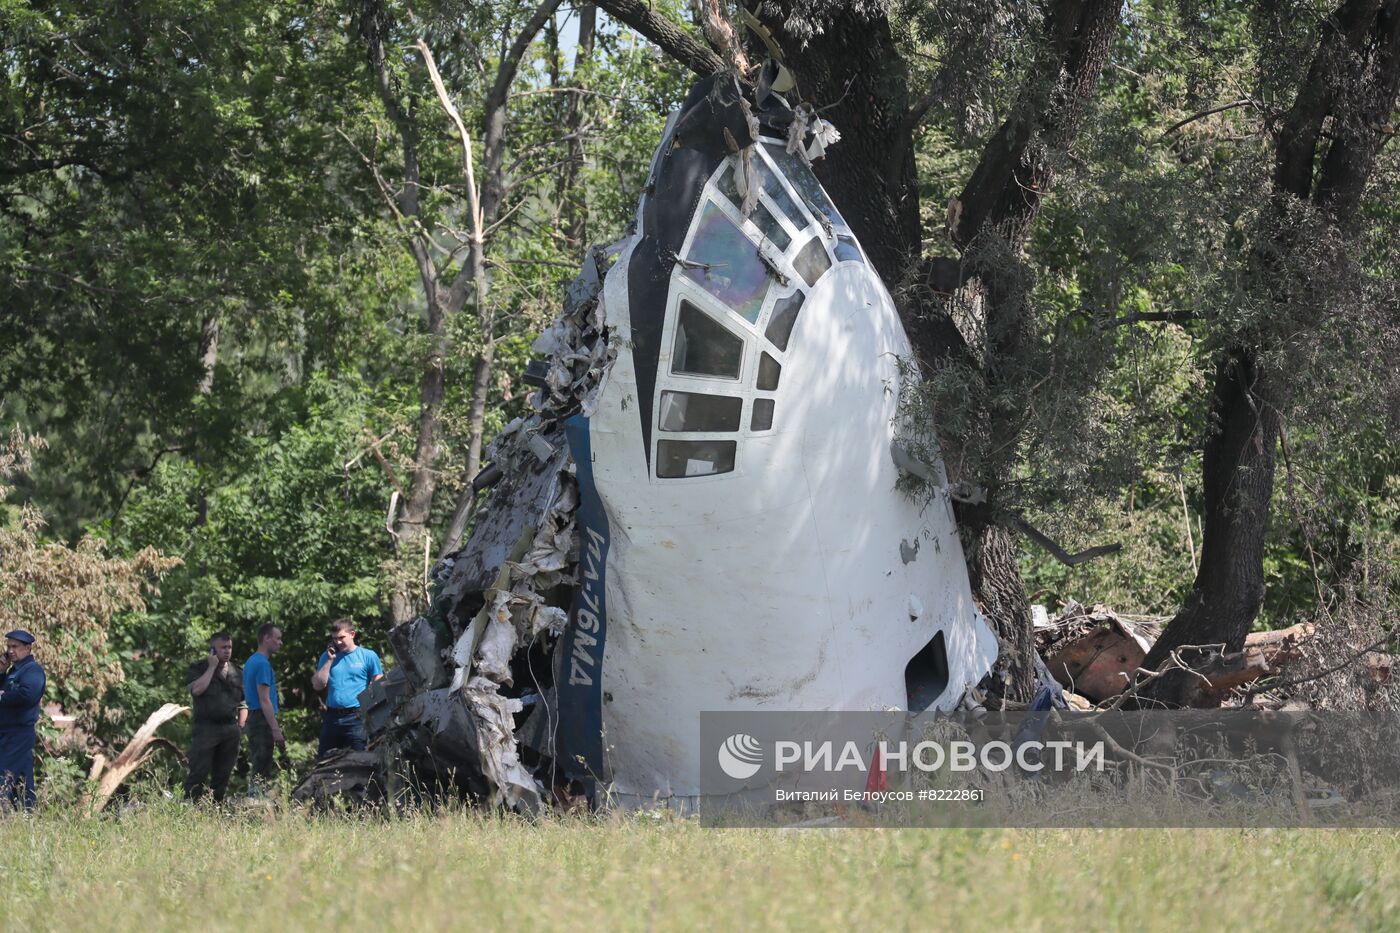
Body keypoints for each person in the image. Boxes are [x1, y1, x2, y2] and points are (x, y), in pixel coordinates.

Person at [183, 632, 246, 803]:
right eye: (223, 648)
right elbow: (196, 690)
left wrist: (241, 725)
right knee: (198, 772)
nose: (227, 651)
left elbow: (243, 702)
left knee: (223, 775)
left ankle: (215, 810)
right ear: (212, 649)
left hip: (230, 730)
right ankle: (190, 808)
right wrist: (211, 667)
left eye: (229, 647)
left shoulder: (238, 671)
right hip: (206, 728)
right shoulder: (199, 668)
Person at [311, 618, 383, 758]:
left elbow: (378, 685)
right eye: (334, 639)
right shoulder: (327, 657)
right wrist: (330, 660)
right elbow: (318, 685)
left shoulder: (368, 656)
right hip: (332, 718)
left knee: (359, 760)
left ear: (352, 634)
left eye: (341, 637)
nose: (338, 642)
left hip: (356, 717)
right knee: (324, 761)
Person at [0, 630, 46, 811]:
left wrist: (3, 696)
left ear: (27, 648)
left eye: (15, 647)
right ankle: (27, 816)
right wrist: (2, 673)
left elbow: (28, 695)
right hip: (7, 732)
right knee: (22, 781)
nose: (10, 651)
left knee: (3, 774)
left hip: (18, 733)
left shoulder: (33, 671)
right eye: (8, 646)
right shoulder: (13, 671)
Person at [242, 623, 284, 794]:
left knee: (259, 763)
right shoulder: (262, 664)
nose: (280, 642)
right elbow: (264, 700)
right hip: (261, 719)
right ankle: (256, 804)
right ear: (266, 638)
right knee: (262, 767)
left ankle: (255, 800)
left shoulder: (251, 661)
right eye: (278, 638)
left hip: (254, 717)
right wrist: (275, 730)